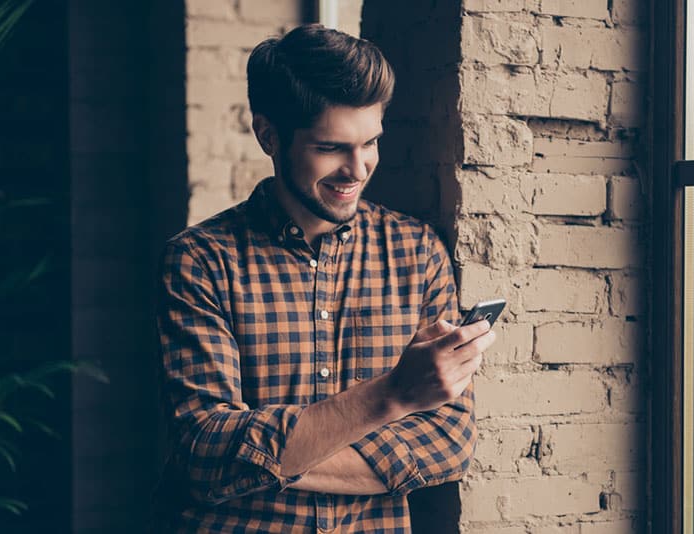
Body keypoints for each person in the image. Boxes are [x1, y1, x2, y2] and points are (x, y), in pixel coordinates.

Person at [155, 24, 496, 533]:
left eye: (371, 143)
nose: (357, 169)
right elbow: (205, 452)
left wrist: (264, 459)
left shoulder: (417, 253)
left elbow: (447, 444)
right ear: (269, 135)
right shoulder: (200, 261)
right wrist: (392, 397)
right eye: (331, 148)